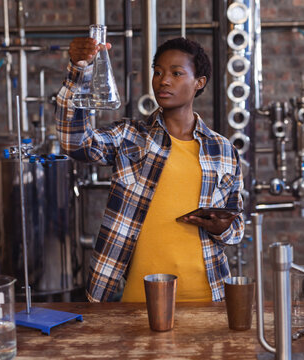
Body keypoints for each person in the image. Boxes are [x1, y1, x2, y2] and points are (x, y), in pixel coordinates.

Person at [55, 37, 244, 302]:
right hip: (139, 300)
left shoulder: (223, 150)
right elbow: (74, 142)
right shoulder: (130, 137)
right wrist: (78, 71)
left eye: (176, 73)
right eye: (158, 72)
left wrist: (220, 226)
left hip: (208, 298)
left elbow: (236, 230)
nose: (163, 80)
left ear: (199, 82)